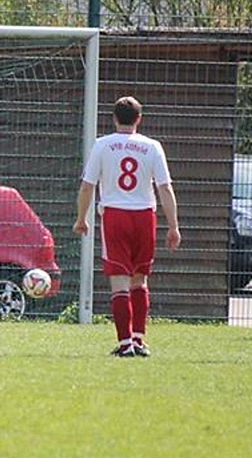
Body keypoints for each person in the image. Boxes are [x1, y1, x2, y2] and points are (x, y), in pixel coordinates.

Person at [73, 97, 181, 358]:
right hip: (145, 215)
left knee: (119, 282)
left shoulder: (103, 145)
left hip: (115, 215)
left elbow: (88, 185)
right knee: (140, 279)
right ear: (139, 119)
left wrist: (81, 218)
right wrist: (173, 226)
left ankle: (125, 344)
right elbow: (165, 187)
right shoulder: (152, 146)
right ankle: (139, 339)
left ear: (114, 118)